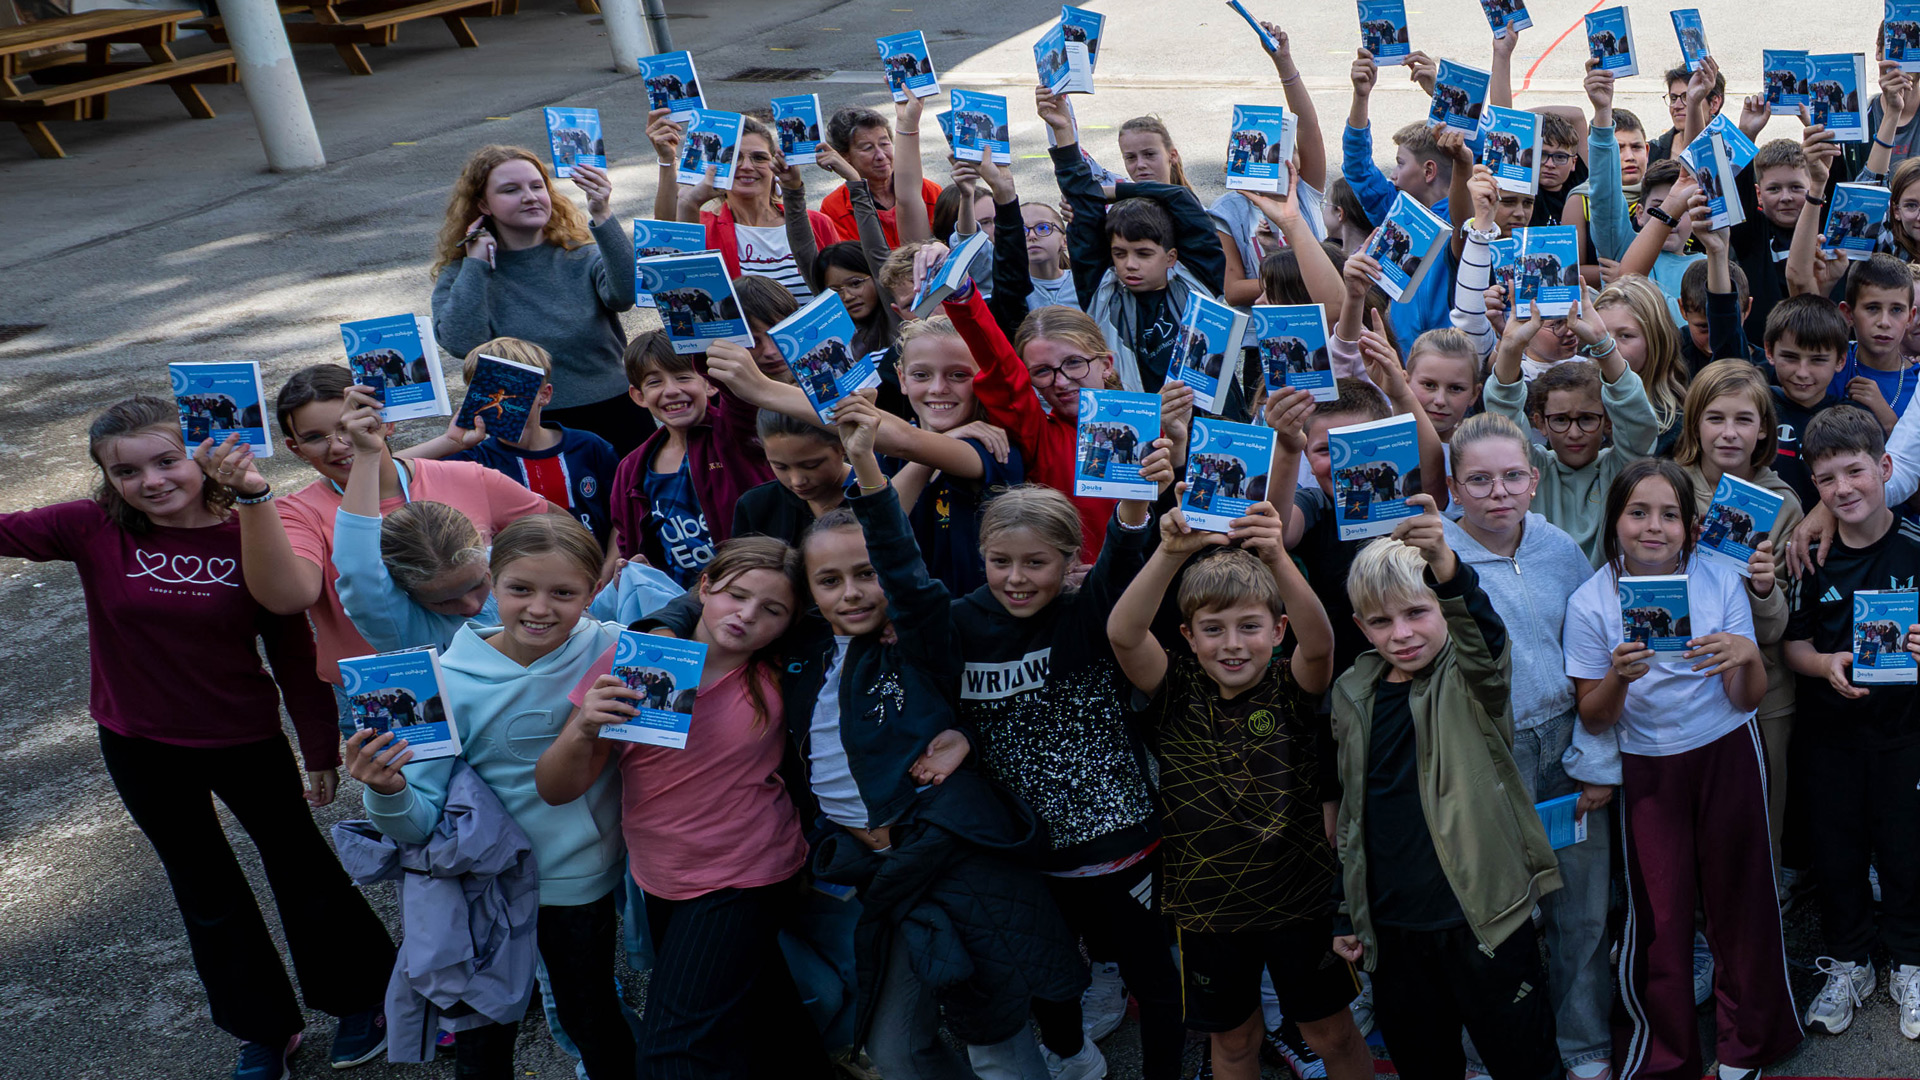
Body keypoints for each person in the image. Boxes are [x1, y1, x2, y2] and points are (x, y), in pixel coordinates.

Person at [0, 396, 395, 1080]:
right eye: (126, 472)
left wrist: (318, 748)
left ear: (202, 456)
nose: (151, 481)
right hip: (138, 744)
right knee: (205, 890)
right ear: (106, 479)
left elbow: (293, 652)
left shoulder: (253, 529)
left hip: (243, 738)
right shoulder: (91, 527)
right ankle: (263, 1028)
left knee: (301, 869)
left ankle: (362, 996)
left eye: (166, 461)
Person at [1106, 401, 1372, 1080]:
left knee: (1333, 1035)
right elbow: (1123, 634)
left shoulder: (1293, 683)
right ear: (1188, 637)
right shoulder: (1175, 688)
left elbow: (1322, 642)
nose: (1233, 644)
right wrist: (1169, 551)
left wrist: (1276, 556)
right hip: (1206, 910)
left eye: (1250, 627)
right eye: (1213, 629)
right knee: (1232, 1044)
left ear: (1276, 632)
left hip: (1301, 901)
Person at [344, 514, 635, 1080]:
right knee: (481, 1039)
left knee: (591, 1013)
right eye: (520, 588)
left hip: (578, 884)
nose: (539, 608)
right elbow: (418, 824)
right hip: (484, 892)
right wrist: (386, 790)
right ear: (491, 583)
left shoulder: (614, 649)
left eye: (563, 593)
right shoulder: (441, 684)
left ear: (593, 592)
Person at [538, 535, 834, 1080]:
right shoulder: (638, 660)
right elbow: (556, 788)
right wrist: (583, 727)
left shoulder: (780, 672)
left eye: (772, 610)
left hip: (747, 872)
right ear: (705, 587)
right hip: (663, 875)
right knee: (767, 1019)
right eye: (736, 595)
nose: (747, 615)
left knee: (674, 1053)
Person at [1564, 459, 1802, 1080]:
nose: (1654, 527)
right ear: (1614, 521)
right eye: (1638, 513)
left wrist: (1747, 655)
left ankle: (1749, 1042)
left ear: (1690, 526)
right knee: (1660, 915)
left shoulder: (1717, 577)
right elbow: (1594, 717)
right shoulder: (1591, 602)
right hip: (1649, 766)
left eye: (1670, 515)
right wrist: (1618, 676)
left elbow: (1746, 700)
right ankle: (1664, 1054)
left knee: (1742, 896)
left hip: (1727, 749)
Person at [1328, 495, 1565, 1079]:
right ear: (1360, 627)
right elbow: (1354, 814)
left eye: (1417, 612)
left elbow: (1484, 639)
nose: (1401, 634)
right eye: (1380, 622)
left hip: (1485, 920)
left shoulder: (1471, 677)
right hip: (1395, 932)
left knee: (1526, 1064)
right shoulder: (1352, 693)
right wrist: (1346, 911)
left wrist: (1446, 565)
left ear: (1444, 608)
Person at [955, 479, 1184, 1080]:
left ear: (1069, 561)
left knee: (1156, 981)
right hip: (1027, 858)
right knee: (1049, 984)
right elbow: (901, 595)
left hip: (1121, 850)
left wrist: (1138, 492)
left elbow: (1124, 551)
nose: (1016, 578)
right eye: (1000, 561)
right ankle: (1074, 1060)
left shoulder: (1089, 612)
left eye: (1036, 562)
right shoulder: (959, 623)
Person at [199, 366, 551, 720]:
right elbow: (287, 598)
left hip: (506, 673)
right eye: (315, 437)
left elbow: (562, 543)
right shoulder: (298, 512)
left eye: (347, 426)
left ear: (385, 421)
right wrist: (253, 495)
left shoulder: (468, 478)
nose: (338, 444)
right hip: (385, 691)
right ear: (296, 448)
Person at [1441, 413, 1617, 1080]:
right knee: (1495, 915)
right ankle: (1492, 1051)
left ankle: (1584, 1043)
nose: (1499, 493)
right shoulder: (1436, 559)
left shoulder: (1559, 549)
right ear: (1454, 487)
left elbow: (1594, 657)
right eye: (1480, 480)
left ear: (1535, 480)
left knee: (1581, 908)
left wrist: (1599, 759)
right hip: (1492, 751)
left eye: (1513, 476)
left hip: (1568, 742)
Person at [1782, 406, 1920, 1042]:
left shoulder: (1915, 545)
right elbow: (1793, 645)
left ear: (1885, 467)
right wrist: (1824, 663)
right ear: (1814, 485)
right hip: (1829, 737)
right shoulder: (1811, 555)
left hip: (1904, 736)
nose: (1843, 488)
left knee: (1906, 850)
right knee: (1836, 855)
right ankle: (1850, 964)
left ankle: (1910, 962)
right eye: (1827, 478)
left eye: (1855, 471)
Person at [429, 145, 651, 458]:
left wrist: (602, 214)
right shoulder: (465, 271)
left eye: (537, 186)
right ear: (483, 204)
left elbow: (625, 295)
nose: (530, 197)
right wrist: (476, 264)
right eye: (511, 190)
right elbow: (461, 342)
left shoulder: (580, 253)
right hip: (518, 421)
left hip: (612, 410)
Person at [1483, 296, 1656, 564]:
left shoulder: (1621, 468)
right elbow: (1503, 417)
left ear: (1608, 421)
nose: (1574, 433)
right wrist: (1511, 347)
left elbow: (1639, 423)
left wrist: (1602, 343)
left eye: (1586, 419)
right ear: (1540, 423)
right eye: (1561, 420)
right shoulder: (1531, 468)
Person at [405, 337, 620, 545]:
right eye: (484, 389)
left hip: (595, 564)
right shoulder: (473, 460)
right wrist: (450, 441)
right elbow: (391, 472)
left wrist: (610, 564)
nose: (501, 398)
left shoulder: (589, 447)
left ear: (544, 395)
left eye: (515, 387)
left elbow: (622, 517)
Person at [608, 331, 772, 582]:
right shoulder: (630, 469)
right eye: (654, 382)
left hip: (751, 582)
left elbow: (743, 403)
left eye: (683, 377)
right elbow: (628, 540)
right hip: (679, 597)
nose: (671, 390)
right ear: (638, 396)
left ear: (711, 384)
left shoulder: (735, 433)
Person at [654, 109, 840, 301]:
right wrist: (667, 161)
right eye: (733, 158)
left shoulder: (817, 223)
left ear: (775, 165)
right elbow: (675, 277)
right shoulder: (701, 227)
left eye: (759, 158)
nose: (747, 166)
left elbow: (845, 288)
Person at [1211, 20, 1331, 306]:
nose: (1278, 160)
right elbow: (1233, 290)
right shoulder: (1229, 210)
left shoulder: (1304, 191)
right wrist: (1306, 276)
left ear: (1299, 164)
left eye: (1288, 151)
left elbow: (1309, 127)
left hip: (1318, 316)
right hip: (1263, 323)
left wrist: (1284, 63)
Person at [1764, 294, 1861, 512]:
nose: (1802, 372)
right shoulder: (1756, 406)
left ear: (1841, 360)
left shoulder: (1855, 419)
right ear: (1769, 351)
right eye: (1790, 357)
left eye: (1817, 360)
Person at [818, 103, 942, 249]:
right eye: (868, 148)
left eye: (884, 144)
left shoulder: (929, 192)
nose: (881, 155)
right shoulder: (835, 207)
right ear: (844, 156)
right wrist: (855, 182)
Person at [732, 409, 851, 549]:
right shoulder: (755, 506)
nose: (797, 481)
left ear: (843, 446)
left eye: (811, 465)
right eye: (780, 467)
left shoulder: (870, 494)